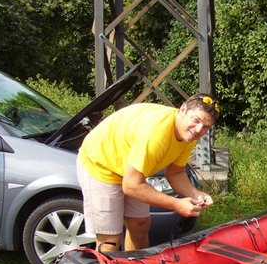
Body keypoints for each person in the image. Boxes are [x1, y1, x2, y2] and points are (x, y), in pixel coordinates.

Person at [77, 93, 220, 252]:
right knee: (110, 240)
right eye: (196, 120)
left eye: (206, 126)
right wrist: (177, 204)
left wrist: (195, 194)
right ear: (183, 110)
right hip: (101, 164)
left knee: (140, 224)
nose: (199, 130)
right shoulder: (157, 134)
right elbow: (131, 186)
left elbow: (176, 173)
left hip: (130, 171)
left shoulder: (188, 135)